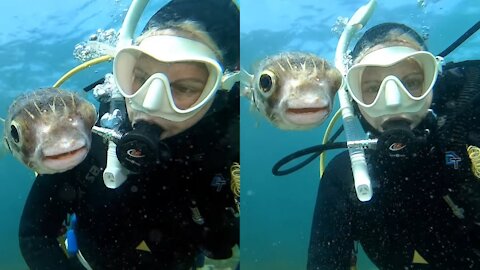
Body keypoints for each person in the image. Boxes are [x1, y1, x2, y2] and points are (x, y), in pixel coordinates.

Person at [18, 0, 240, 269]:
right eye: (140, 76)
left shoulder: (232, 152)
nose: (150, 103)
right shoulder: (82, 139)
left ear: (219, 93)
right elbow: (35, 234)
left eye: (184, 88)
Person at [308, 23, 480, 269]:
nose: (393, 101)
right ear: (352, 98)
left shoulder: (471, 127)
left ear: (434, 81)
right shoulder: (345, 179)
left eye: (411, 82)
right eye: (372, 88)